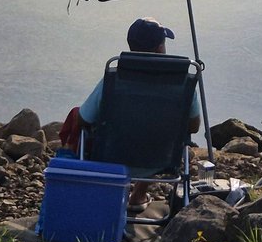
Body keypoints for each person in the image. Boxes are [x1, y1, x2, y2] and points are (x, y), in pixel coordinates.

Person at [77, 16, 201, 213]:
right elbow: (194, 127)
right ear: (160, 48)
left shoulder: (115, 78)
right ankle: (138, 195)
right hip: (160, 159)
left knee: (92, 130)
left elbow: (83, 118)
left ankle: (108, 195)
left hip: (113, 155)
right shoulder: (181, 82)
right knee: (156, 131)